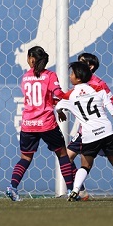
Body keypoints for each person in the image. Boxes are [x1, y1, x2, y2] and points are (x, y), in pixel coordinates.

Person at [5, 46, 76, 201]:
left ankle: (13, 187)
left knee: (25, 158)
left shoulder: (25, 77)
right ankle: (71, 190)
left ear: (31, 59)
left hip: (28, 124)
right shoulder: (50, 76)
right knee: (62, 154)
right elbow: (57, 94)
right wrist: (68, 96)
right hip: (46, 123)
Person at [54, 61, 113, 201]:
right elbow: (112, 110)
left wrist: (61, 113)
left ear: (78, 77)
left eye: (72, 73)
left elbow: (58, 105)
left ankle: (76, 189)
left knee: (85, 165)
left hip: (89, 135)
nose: (70, 76)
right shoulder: (98, 89)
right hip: (106, 132)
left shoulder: (70, 96)